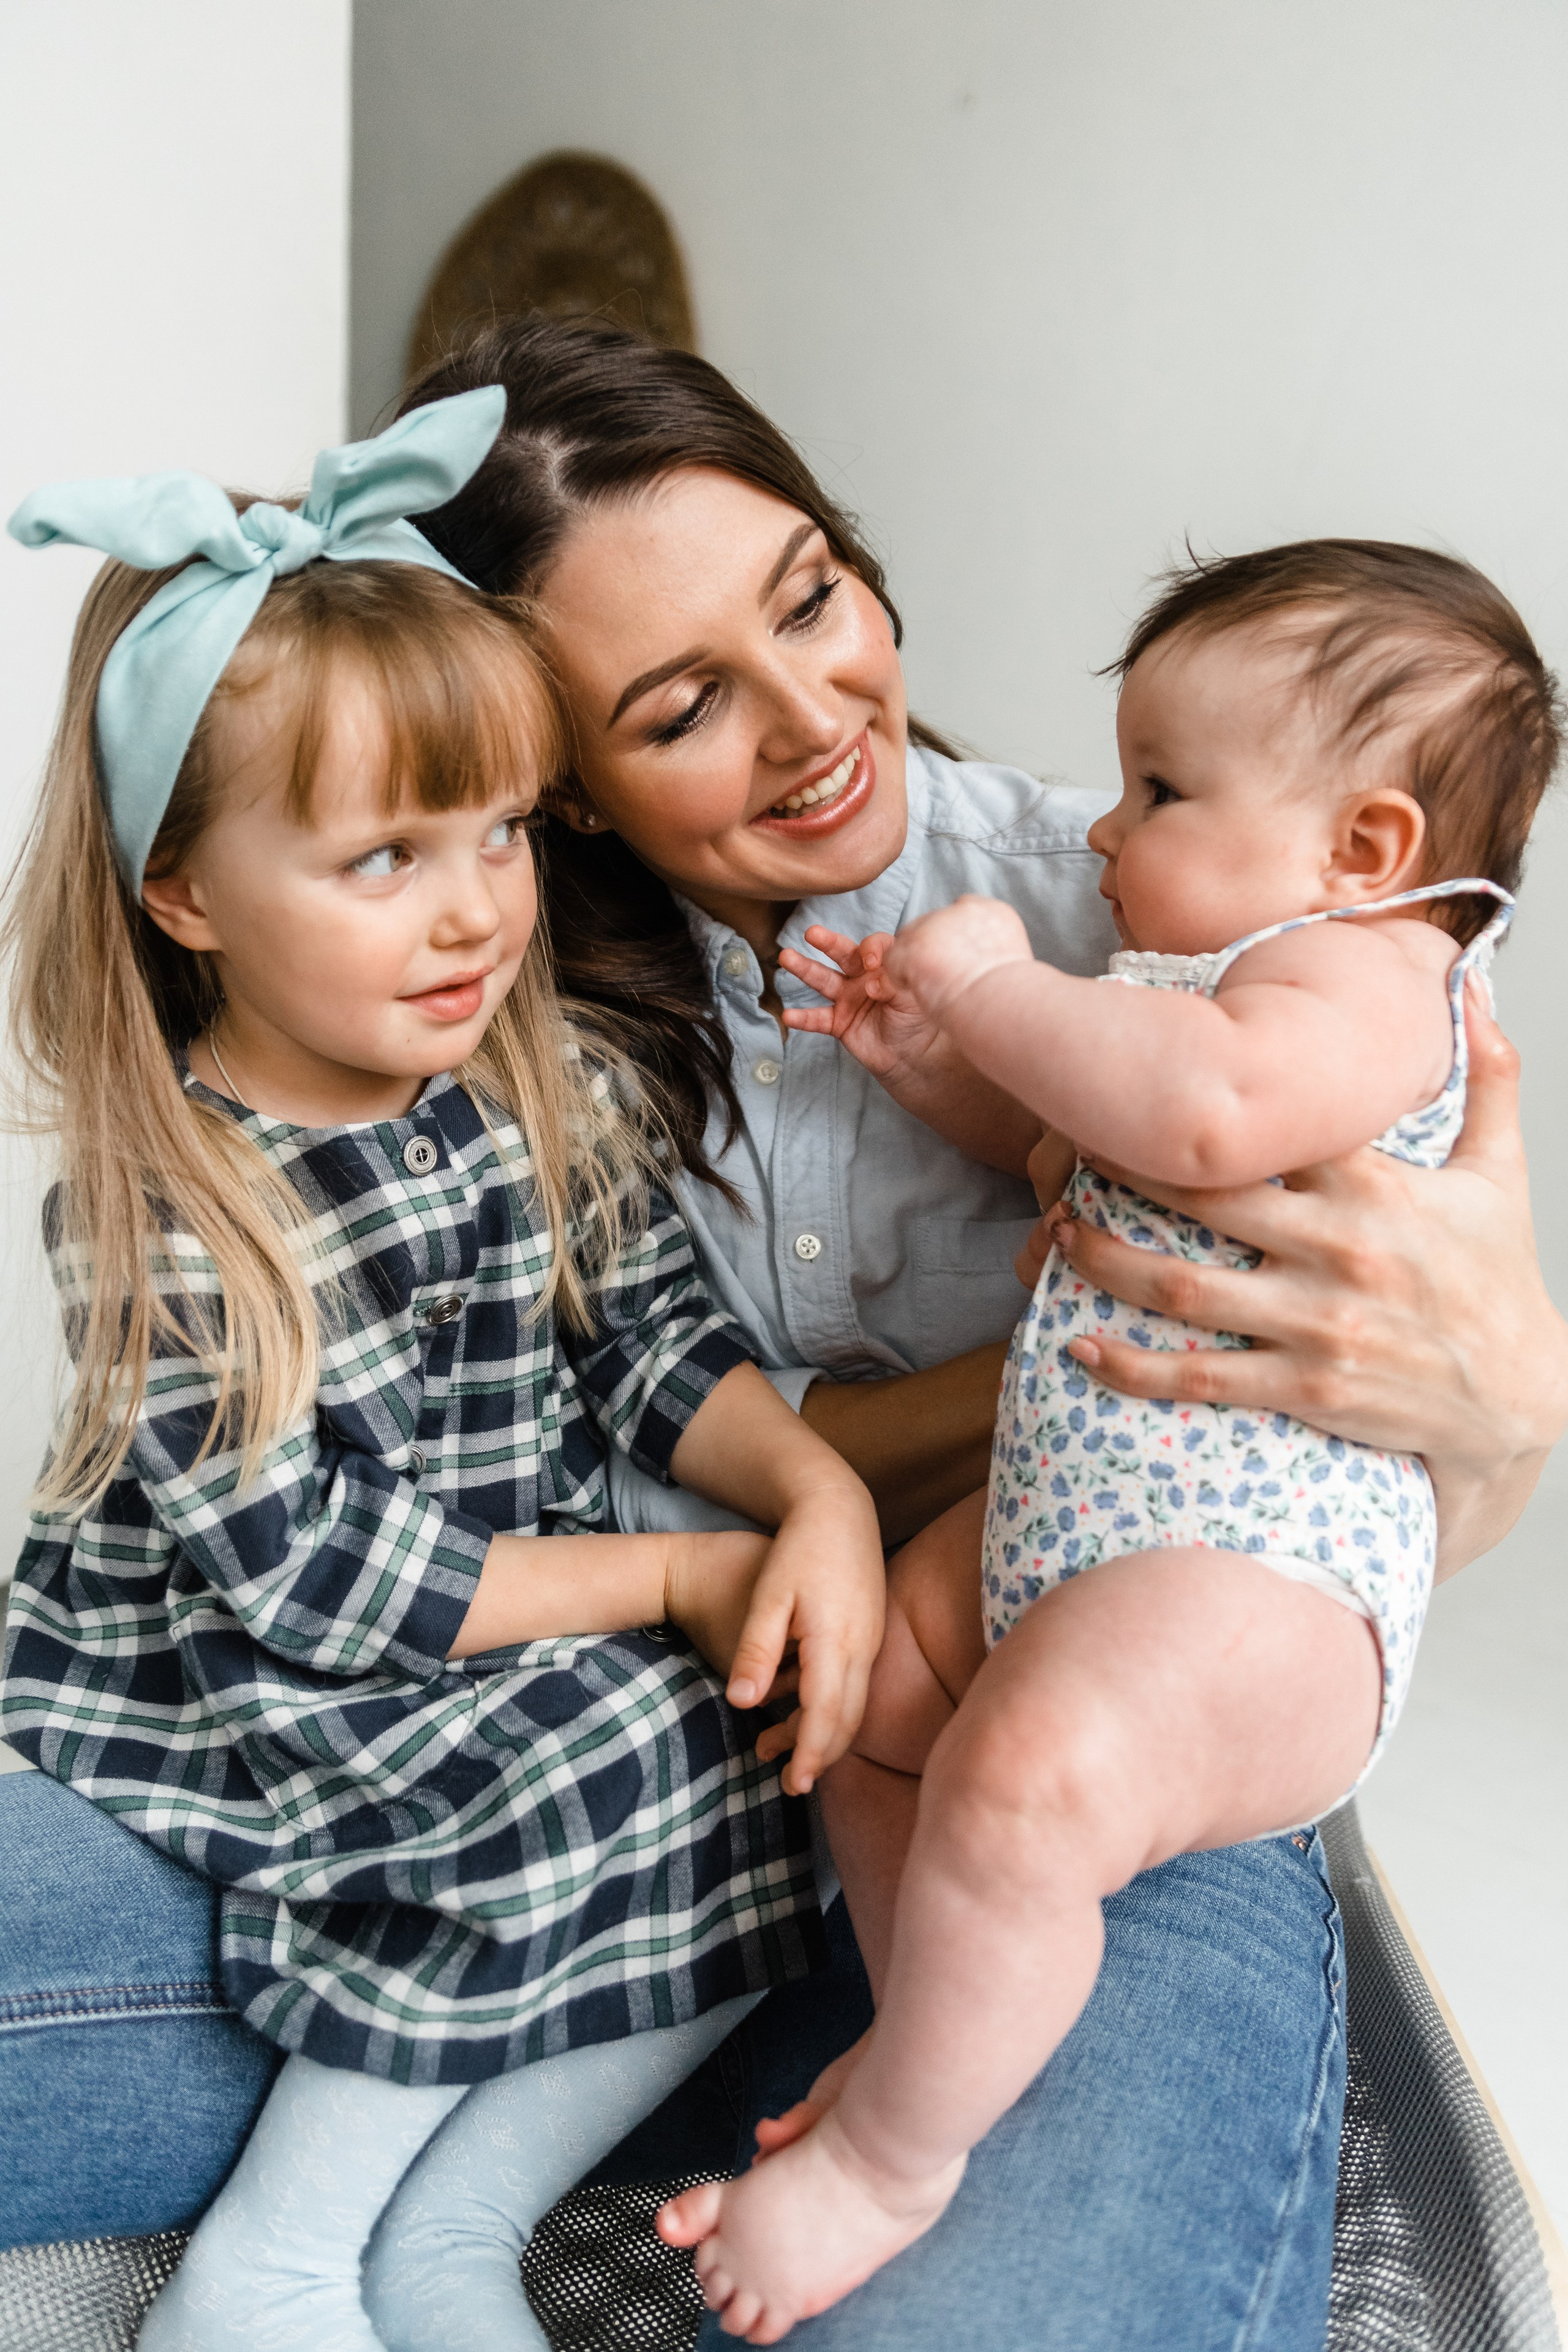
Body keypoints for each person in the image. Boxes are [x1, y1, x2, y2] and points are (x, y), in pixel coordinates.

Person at [2, 319, 1564, 2352]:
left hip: (1059, 1755)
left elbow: (1392, 1440)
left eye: (814, 595)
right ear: (543, 787)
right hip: (597, 1759)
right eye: (678, 710)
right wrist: (808, 1501)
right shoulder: (453, 989)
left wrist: (1511, 1405)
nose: (818, 715)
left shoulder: (1165, 906)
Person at [0, 389, 884, 2352]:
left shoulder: (524, 1074)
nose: (480, 906)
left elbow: (660, 1336)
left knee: (779, 1753)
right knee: (593, 1756)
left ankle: (450, 2233)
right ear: (187, 896)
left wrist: (808, 1495)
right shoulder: (174, 1205)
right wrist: (669, 1573)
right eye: (387, 856)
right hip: (259, 1663)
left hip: (503, 1605)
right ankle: (283, 2258)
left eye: (495, 832)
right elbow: (316, 1576)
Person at [657, 540, 1561, 2341]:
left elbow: (1205, 1116)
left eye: (1159, 789)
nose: (1098, 832)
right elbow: (1087, 1138)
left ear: (1365, 849)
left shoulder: (1363, 980)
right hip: (1077, 1542)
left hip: (1251, 1585)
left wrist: (993, 985)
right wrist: (946, 1069)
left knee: (1023, 1783)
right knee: (879, 1697)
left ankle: (893, 2159)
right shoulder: (1210, 977)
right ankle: (948, 2044)